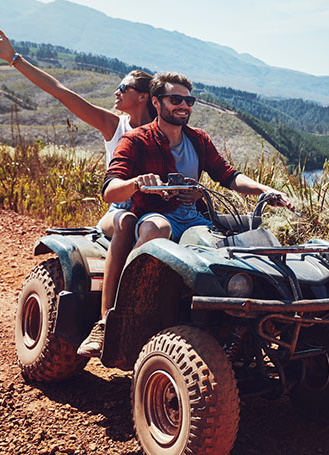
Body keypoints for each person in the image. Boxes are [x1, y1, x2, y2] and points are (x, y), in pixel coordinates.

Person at [76, 72, 293, 356]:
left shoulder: (199, 140)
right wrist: (136, 183)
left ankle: (240, 322)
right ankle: (119, 312)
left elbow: (228, 176)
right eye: (175, 99)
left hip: (194, 218)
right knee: (155, 230)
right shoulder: (135, 140)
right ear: (156, 102)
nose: (184, 105)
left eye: (188, 100)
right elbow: (110, 189)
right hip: (155, 214)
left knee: (230, 248)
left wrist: (265, 190)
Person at [0, 28, 155, 357]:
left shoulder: (164, 133)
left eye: (123, 87)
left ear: (143, 96)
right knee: (128, 221)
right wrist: (13, 58)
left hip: (159, 214)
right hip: (121, 211)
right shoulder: (115, 127)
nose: (115, 92)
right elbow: (61, 92)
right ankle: (108, 321)